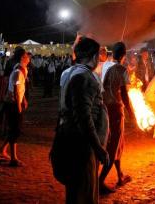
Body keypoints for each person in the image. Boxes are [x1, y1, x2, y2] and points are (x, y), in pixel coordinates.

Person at [56, 37, 109, 204]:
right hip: (82, 145)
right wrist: (98, 147)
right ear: (93, 56)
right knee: (84, 193)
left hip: (70, 137)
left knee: (76, 191)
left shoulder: (68, 73)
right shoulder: (84, 78)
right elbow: (84, 117)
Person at [98, 42, 134, 194]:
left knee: (118, 143)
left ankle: (120, 175)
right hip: (115, 109)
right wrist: (132, 112)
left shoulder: (106, 66)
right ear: (124, 55)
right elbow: (125, 94)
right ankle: (100, 181)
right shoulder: (121, 69)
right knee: (113, 145)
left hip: (105, 108)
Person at [0, 47, 30, 167]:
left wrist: (24, 99)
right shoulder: (18, 71)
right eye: (27, 56)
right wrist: (19, 106)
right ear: (22, 58)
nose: (28, 58)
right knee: (15, 130)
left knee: (15, 129)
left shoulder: (23, 69)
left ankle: (2, 150)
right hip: (12, 103)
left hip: (16, 102)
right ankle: (13, 158)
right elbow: (16, 90)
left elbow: (21, 88)